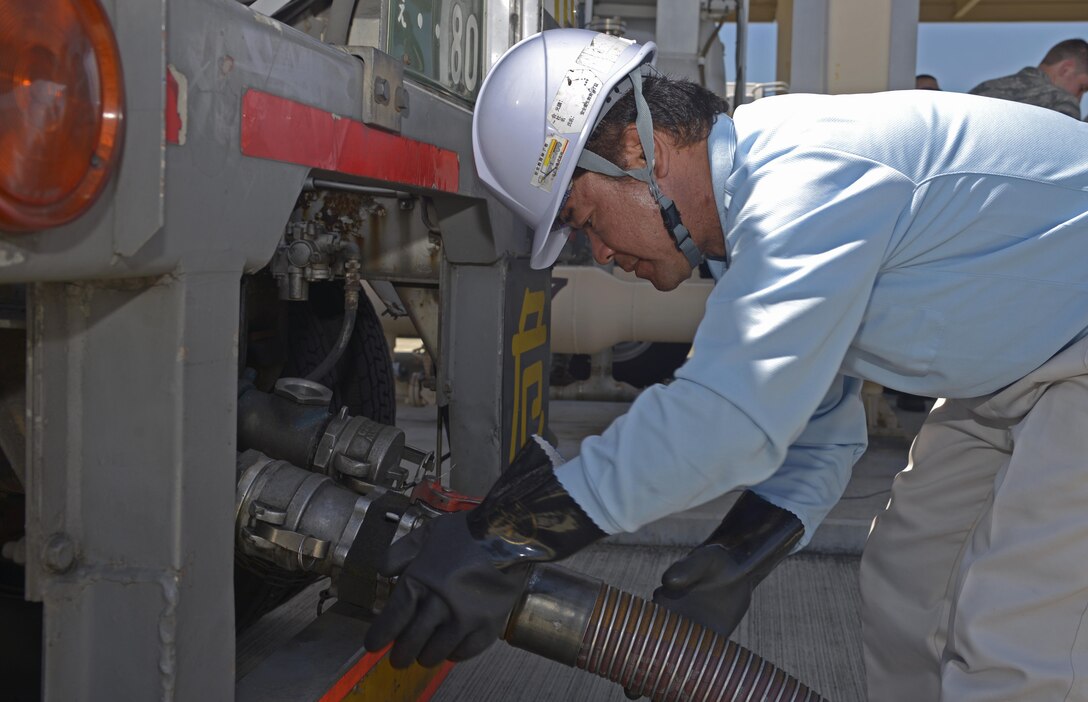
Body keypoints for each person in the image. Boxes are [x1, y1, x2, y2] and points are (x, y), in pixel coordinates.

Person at [364, 29, 1088, 701]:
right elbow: (818, 421)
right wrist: (739, 556)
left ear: (639, 153)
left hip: (1077, 363)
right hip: (1014, 372)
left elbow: (728, 417)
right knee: (908, 584)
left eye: (586, 223)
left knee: (1015, 638)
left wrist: (507, 534)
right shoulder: (758, 221)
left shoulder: (806, 181)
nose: (605, 255)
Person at [969, 38, 1088, 118]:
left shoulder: (985, 89)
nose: (1079, 99)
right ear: (1066, 69)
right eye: (1082, 88)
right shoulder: (1061, 101)